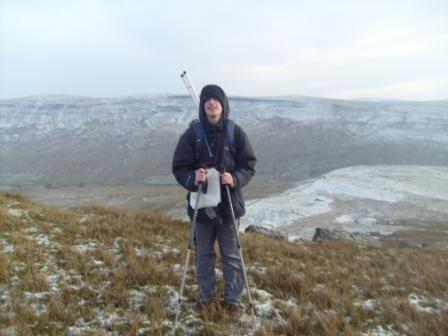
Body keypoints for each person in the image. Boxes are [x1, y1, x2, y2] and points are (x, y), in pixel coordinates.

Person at [172, 84, 256, 314]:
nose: (211, 103)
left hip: (228, 204)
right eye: (207, 100)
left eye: (216, 100)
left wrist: (235, 178)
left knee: (230, 252)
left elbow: (248, 164)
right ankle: (206, 298)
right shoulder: (192, 134)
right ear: (202, 105)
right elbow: (179, 167)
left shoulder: (234, 132)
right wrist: (192, 177)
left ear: (223, 104)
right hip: (201, 205)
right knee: (203, 254)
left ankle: (232, 301)